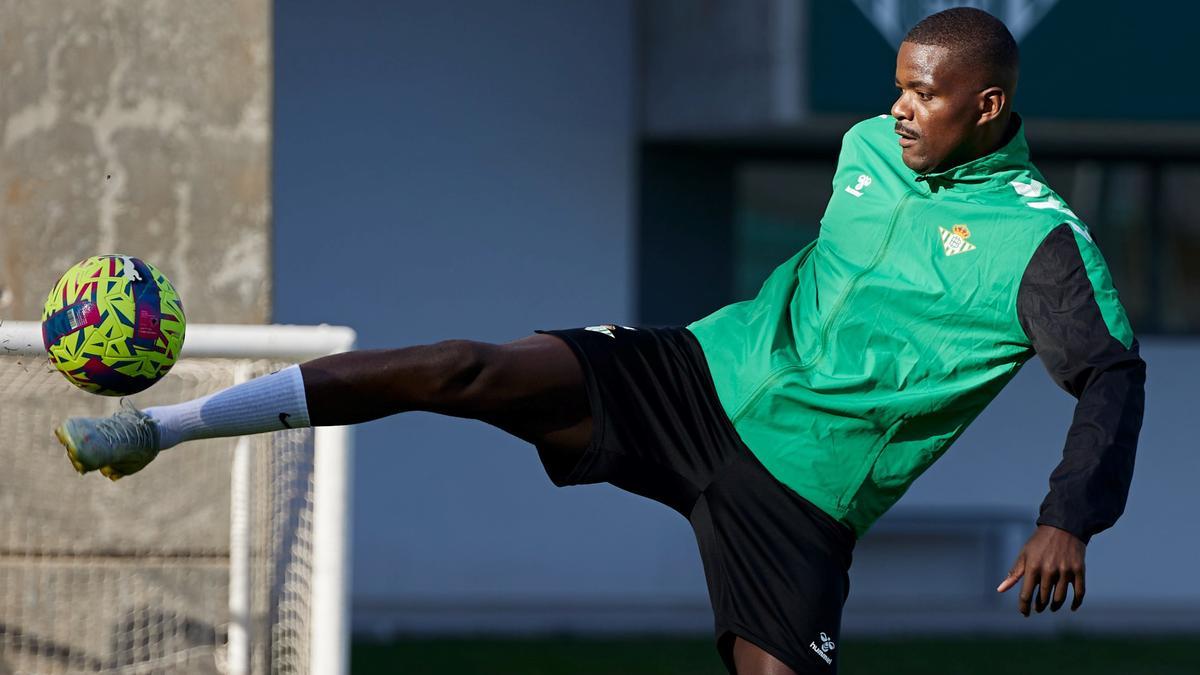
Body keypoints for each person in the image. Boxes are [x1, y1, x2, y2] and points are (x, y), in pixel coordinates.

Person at [55, 8, 1145, 675]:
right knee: (462, 367)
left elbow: (1109, 376)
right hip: (697, 376)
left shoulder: (1042, 244)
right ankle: (158, 426)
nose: (899, 108)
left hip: (801, 497)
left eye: (926, 93)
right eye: (897, 84)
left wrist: (1069, 517)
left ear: (989, 104)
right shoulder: (866, 143)